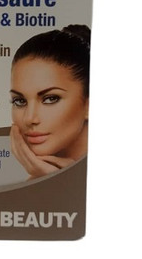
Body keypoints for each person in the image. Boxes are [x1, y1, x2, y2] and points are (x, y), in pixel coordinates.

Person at [10, 25, 90, 179]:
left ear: (89, 105)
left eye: (50, 98)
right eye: (19, 101)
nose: (29, 118)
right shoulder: (39, 179)